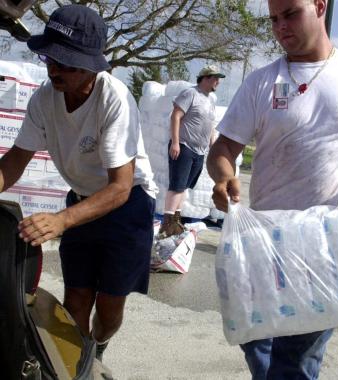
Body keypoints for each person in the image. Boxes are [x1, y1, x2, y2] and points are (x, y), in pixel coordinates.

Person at [207, 0, 338, 378]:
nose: (280, 26)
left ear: (320, 6)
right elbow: (223, 148)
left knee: (297, 361)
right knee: (258, 345)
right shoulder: (261, 81)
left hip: (327, 249)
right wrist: (223, 177)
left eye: (290, 14)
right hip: (264, 245)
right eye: (273, 18)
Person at [0, 4, 157, 362]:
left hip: (128, 206)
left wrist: (60, 221)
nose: (55, 70)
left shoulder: (113, 98)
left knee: (109, 308)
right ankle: (82, 363)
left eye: (66, 63)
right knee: (75, 302)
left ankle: (98, 346)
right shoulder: (44, 99)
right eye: (50, 60)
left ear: (92, 65)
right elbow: (14, 162)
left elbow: (119, 186)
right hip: (82, 199)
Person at [158, 64, 225, 238]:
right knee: (176, 186)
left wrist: (212, 144)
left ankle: (176, 221)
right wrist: (175, 142)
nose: (218, 81)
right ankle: (167, 225)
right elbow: (176, 116)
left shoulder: (210, 100)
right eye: (215, 78)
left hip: (199, 151)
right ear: (206, 77)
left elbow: (209, 125)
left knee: (184, 187)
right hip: (184, 146)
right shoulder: (190, 94)